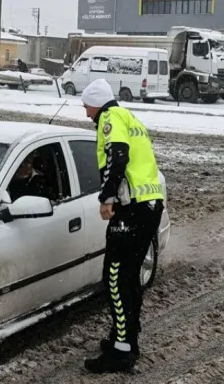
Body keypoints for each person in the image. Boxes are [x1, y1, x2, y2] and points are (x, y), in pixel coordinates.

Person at [81, 78, 164, 374]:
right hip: (149, 205)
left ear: (96, 103)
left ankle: (121, 352)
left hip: (133, 208)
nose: (86, 113)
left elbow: (118, 156)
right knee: (128, 277)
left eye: (87, 106)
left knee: (115, 277)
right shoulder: (129, 117)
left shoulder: (110, 117)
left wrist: (107, 197)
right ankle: (126, 340)